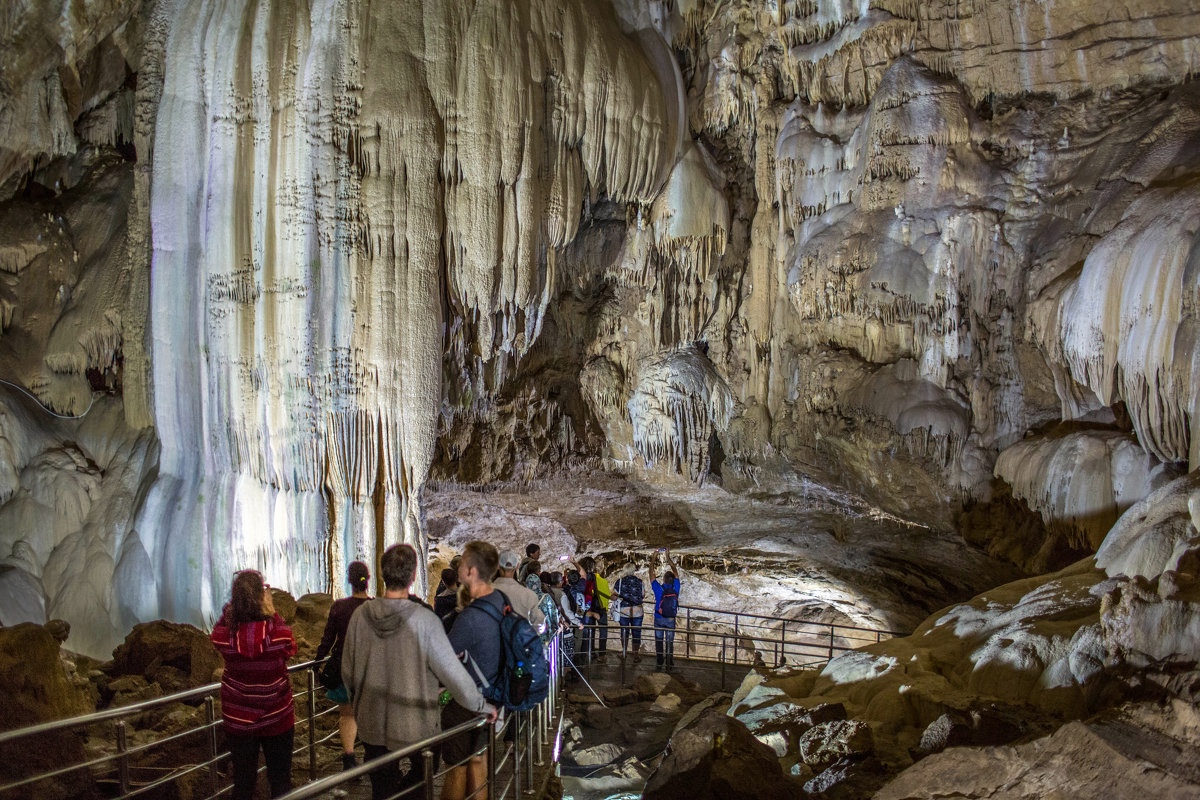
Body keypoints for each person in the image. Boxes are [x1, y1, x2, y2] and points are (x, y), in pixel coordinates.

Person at [342, 544, 498, 800]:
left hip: (372, 719)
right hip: (416, 722)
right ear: (413, 575)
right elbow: (451, 672)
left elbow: (348, 671)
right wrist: (480, 705)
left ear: (382, 574)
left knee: (382, 786)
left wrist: (360, 708)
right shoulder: (425, 621)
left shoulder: (360, 616)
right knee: (421, 779)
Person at [210, 570, 297, 800]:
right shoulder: (279, 635)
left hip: (238, 719)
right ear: (261, 596)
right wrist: (272, 612)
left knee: (243, 781)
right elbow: (291, 646)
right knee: (280, 779)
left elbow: (215, 632)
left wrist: (232, 611)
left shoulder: (224, 638)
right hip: (278, 716)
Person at [443, 541, 505, 800]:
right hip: (493, 696)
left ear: (472, 571)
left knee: (457, 768)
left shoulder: (469, 619)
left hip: (470, 701)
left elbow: (444, 657)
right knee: (478, 760)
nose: (458, 567)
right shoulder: (499, 600)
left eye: (463, 562)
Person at [315, 561, 372, 772]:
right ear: (368, 580)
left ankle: (349, 757)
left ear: (349, 581)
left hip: (344, 668)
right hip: (369, 669)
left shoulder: (339, 607)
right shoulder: (375, 607)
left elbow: (328, 639)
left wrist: (317, 661)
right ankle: (373, 756)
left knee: (348, 715)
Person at [495, 550, 546, 633]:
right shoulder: (528, 594)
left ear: (497, 566)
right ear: (517, 566)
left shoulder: (483, 592)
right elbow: (539, 623)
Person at [649, 549, 682, 672]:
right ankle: (669, 662)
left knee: (659, 640)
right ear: (673, 580)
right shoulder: (676, 587)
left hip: (659, 618)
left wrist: (654, 557)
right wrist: (668, 557)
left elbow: (651, 574)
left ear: (663, 580)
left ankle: (659, 662)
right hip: (670, 619)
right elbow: (676, 572)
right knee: (669, 641)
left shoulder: (659, 589)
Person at [611, 563, 645, 662]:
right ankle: (636, 655)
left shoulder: (620, 582)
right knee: (636, 632)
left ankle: (624, 653)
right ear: (634, 570)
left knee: (624, 631)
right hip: (637, 610)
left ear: (625, 570)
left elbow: (614, 596)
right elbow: (642, 595)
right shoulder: (640, 582)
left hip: (624, 610)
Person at [434, 567, 459, 633]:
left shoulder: (440, 601)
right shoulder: (465, 592)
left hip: (448, 631)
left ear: (444, 582)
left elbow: (438, 619)